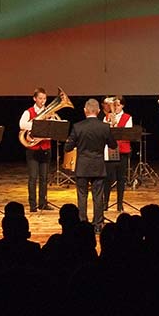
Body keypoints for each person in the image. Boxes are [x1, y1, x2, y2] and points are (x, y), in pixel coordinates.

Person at [64, 98, 117, 233]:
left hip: (82, 167)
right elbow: (113, 145)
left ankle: (82, 224)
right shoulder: (104, 127)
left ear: (85, 111)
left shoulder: (77, 127)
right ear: (98, 111)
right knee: (98, 196)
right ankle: (98, 224)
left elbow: (67, 148)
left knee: (82, 196)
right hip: (98, 166)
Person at [19, 87, 52, 212]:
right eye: (40, 98)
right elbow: (22, 124)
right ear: (34, 99)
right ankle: (33, 205)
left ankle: (43, 203)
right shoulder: (28, 112)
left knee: (44, 178)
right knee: (33, 178)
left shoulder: (49, 112)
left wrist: (50, 122)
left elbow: (53, 128)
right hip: (33, 149)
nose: (43, 101)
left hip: (46, 148)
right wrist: (37, 124)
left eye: (44, 98)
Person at [103, 95, 133, 213]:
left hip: (122, 152)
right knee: (107, 179)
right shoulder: (106, 117)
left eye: (118, 105)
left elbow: (126, 135)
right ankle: (105, 203)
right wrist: (110, 123)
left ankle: (120, 204)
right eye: (114, 105)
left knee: (121, 179)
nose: (115, 107)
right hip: (110, 152)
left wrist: (115, 125)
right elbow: (104, 133)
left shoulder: (128, 118)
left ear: (122, 106)